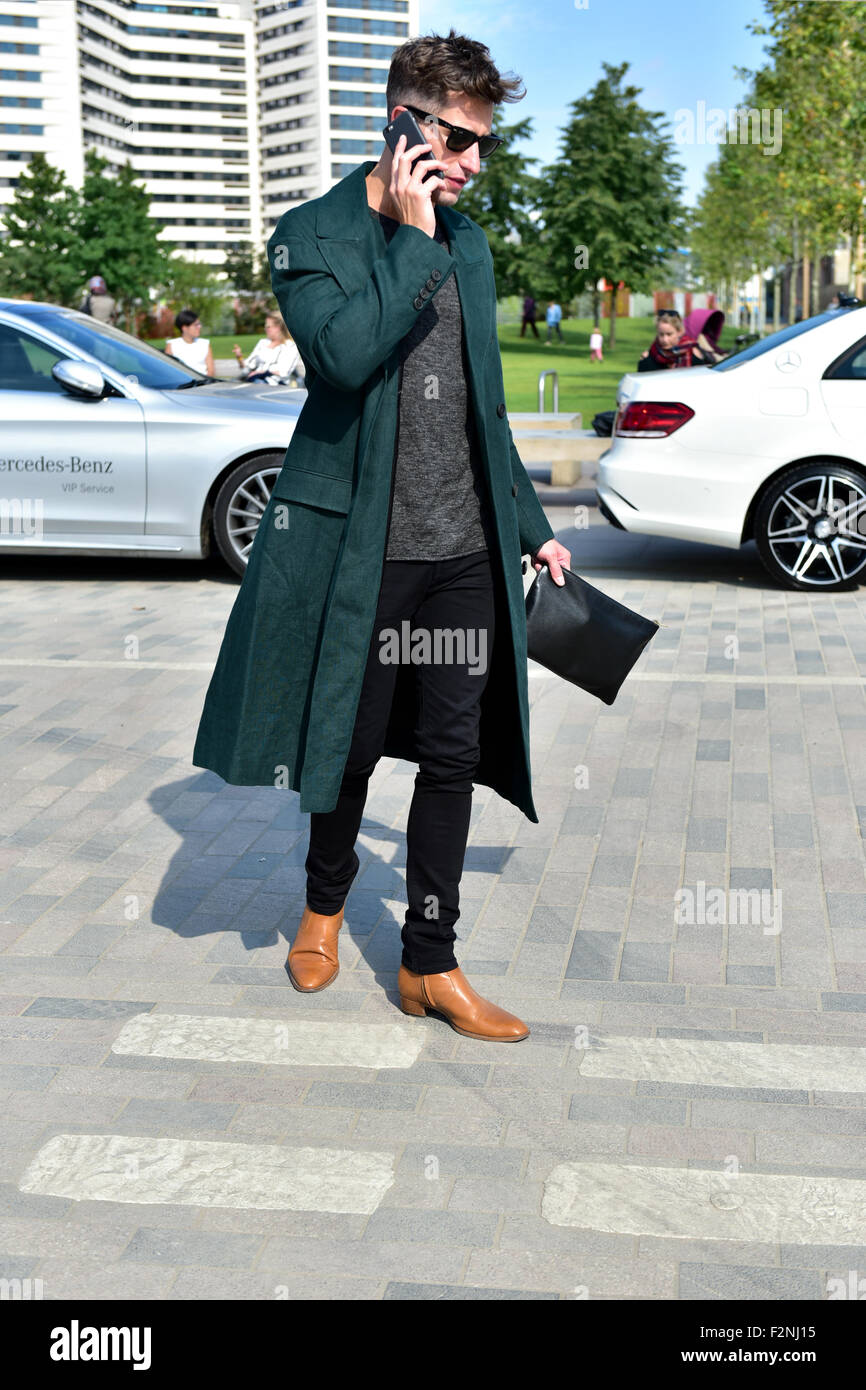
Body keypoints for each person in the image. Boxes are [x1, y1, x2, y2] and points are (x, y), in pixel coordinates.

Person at [192, 29, 571, 1044]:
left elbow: (484, 407)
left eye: (483, 144)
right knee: (347, 747)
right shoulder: (309, 234)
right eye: (458, 139)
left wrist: (529, 528)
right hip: (357, 553)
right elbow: (344, 361)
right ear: (400, 120)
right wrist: (408, 233)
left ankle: (429, 961)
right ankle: (322, 907)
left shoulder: (473, 243)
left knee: (451, 754)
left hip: (460, 555)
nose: (474, 162)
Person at [637, 308, 725, 371]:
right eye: (661, 334)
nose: (665, 340)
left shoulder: (694, 353)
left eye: (669, 334)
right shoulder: (649, 356)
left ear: (679, 332)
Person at [232, 312, 304, 385]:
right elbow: (247, 367)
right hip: (255, 381)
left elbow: (284, 372)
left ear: (278, 328)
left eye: (268, 326)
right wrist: (239, 357)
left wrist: (260, 373)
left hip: (276, 384)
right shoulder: (263, 342)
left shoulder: (290, 346)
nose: (265, 329)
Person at [164, 309, 214, 376]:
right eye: (196, 325)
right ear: (184, 328)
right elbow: (167, 370)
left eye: (199, 324)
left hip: (203, 383)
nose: (199, 327)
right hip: (182, 384)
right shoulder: (172, 345)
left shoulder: (205, 344)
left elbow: (211, 371)